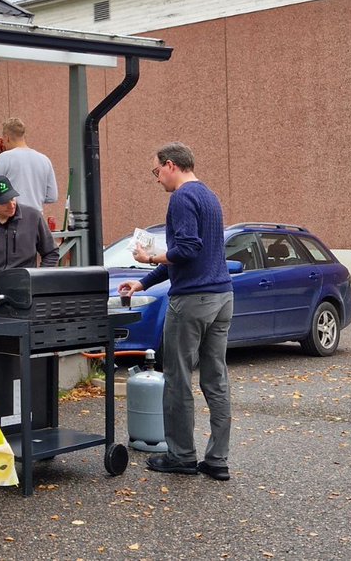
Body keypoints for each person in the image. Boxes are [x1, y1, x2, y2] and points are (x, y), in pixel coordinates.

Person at [119, 142, 233, 481]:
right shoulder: (210, 197)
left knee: (178, 380)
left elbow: (186, 250)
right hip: (222, 297)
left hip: (193, 301)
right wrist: (143, 283)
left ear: (170, 165)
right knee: (216, 379)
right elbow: (195, 256)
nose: (157, 179)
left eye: (156, 172)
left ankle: (182, 456)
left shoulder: (181, 198)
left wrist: (149, 258)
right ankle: (217, 460)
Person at [0, 117, 57, 214]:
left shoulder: (5, 157)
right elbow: (52, 197)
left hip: (14, 218)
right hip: (36, 219)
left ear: (7, 137)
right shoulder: (44, 160)